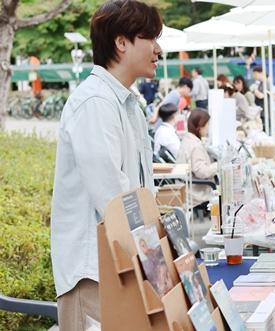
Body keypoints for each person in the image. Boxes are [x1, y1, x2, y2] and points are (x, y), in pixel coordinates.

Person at [50, 1, 161, 329]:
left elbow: (139, 192)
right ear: (121, 42)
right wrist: (157, 262)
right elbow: (114, 199)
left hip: (122, 266)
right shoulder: (96, 103)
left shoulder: (127, 103)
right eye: (150, 38)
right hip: (95, 273)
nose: (158, 49)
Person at [176, 109, 218, 207]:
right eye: (207, 125)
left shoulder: (187, 139)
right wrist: (218, 165)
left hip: (187, 189)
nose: (208, 128)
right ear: (200, 126)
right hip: (196, 194)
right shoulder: (195, 146)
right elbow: (201, 172)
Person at [250, 66, 275, 131]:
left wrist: (255, 91)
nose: (254, 76)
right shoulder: (261, 83)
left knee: (266, 132)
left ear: (261, 73)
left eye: (255, 74)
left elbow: (261, 96)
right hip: (262, 112)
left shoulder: (267, 83)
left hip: (266, 112)